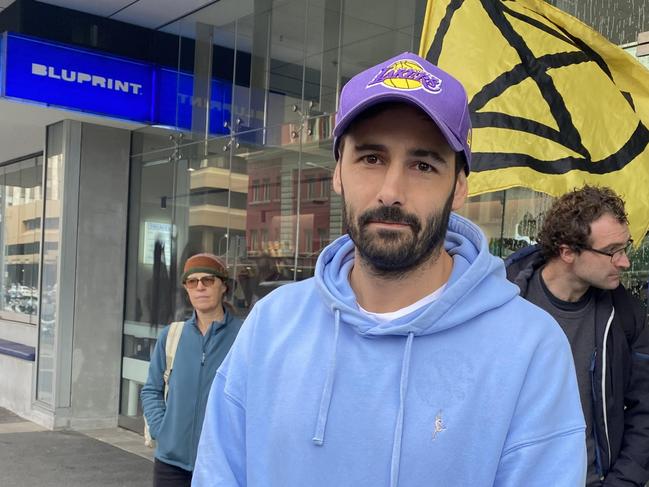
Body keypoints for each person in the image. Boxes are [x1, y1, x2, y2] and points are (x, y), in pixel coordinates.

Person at [192, 52, 586, 486]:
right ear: (338, 171)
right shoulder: (271, 324)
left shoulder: (529, 348)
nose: (391, 191)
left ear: (458, 187)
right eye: (371, 158)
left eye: (423, 165)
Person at [506, 186, 649, 486]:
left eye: (626, 247)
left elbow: (645, 413)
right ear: (568, 252)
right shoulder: (502, 303)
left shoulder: (626, 316)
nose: (624, 262)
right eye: (612, 252)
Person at [141, 253, 243, 487]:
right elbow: (151, 390)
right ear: (186, 289)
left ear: (223, 286)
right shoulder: (172, 336)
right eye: (192, 282)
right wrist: (162, 430)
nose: (200, 287)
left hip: (222, 462)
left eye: (208, 280)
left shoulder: (244, 336)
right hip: (170, 464)